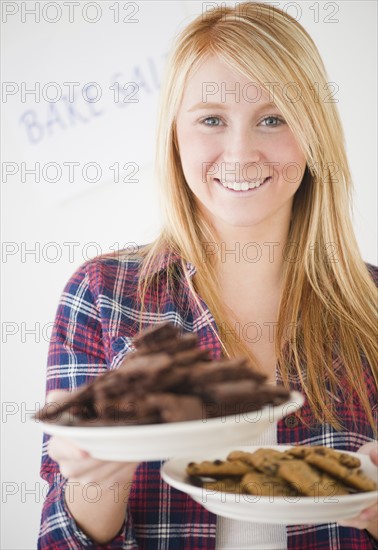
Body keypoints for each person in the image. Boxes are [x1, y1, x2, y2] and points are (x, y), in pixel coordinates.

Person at [37, 2, 378, 549]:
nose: (240, 153)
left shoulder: (372, 310)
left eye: (273, 118)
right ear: (176, 136)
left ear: (315, 133)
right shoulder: (102, 296)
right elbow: (58, 540)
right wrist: (100, 481)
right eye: (211, 119)